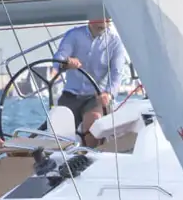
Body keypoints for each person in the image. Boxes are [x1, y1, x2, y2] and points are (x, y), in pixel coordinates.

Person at [52, 15, 130, 144]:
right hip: (70, 94)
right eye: (99, 17)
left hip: (96, 97)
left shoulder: (115, 43)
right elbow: (58, 60)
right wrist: (66, 62)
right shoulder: (74, 35)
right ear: (90, 18)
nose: (104, 21)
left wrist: (108, 93)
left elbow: (116, 74)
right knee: (59, 128)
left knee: (94, 120)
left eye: (106, 18)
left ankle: (89, 153)